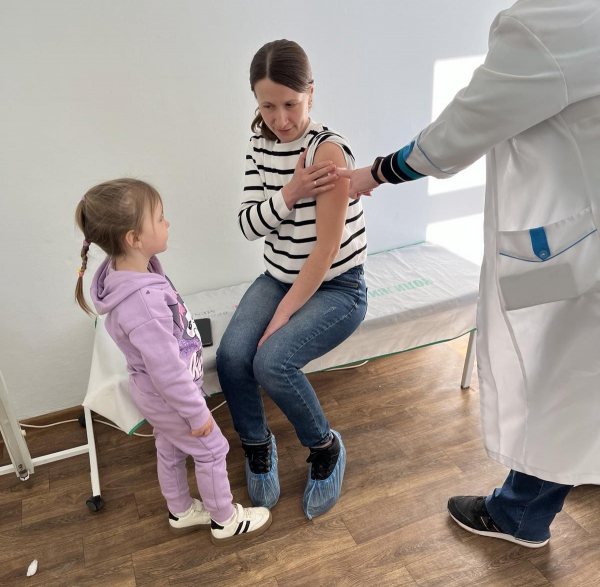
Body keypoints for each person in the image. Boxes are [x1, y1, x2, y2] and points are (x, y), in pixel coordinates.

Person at [337, 0, 600, 548]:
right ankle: (567, 472)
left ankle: (519, 514)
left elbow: (462, 129)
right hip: (577, 241)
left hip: (575, 253)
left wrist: (377, 173)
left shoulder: (543, 24)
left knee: (554, 373)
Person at [216, 40, 368, 520]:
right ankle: (257, 445)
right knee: (231, 356)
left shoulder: (328, 151)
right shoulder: (259, 146)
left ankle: (325, 448)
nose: (280, 119)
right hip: (278, 276)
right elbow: (247, 226)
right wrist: (291, 192)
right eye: (267, 106)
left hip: (338, 287)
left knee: (272, 361)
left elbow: (325, 252)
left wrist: (281, 317)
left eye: (290, 104)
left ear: (311, 94)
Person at [75, 178, 271, 545]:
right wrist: (197, 414)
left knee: (169, 446)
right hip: (169, 396)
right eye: (160, 218)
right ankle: (225, 519)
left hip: (155, 394)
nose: (168, 223)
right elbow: (166, 372)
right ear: (134, 238)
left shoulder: (128, 271)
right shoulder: (142, 304)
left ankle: (180, 510)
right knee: (213, 449)